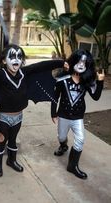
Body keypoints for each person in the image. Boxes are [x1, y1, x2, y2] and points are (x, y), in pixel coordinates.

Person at [0, 44, 68, 177]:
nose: (16, 60)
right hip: (5, 117)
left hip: (19, 116)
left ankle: (11, 160)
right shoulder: (1, 75)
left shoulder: (24, 73)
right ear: (4, 61)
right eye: (12, 57)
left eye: (19, 57)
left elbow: (42, 65)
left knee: (13, 139)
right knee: (3, 139)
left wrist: (62, 63)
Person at [51, 49, 105, 179]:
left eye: (84, 62)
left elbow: (96, 97)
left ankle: (72, 166)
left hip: (78, 117)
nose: (81, 65)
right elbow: (55, 97)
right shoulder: (62, 79)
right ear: (73, 61)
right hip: (63, 115)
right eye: (79, 61)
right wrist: (53, 113)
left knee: (80, 140)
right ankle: (63, 146)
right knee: (61, 136)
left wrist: (100, 81)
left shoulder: (86, 81)